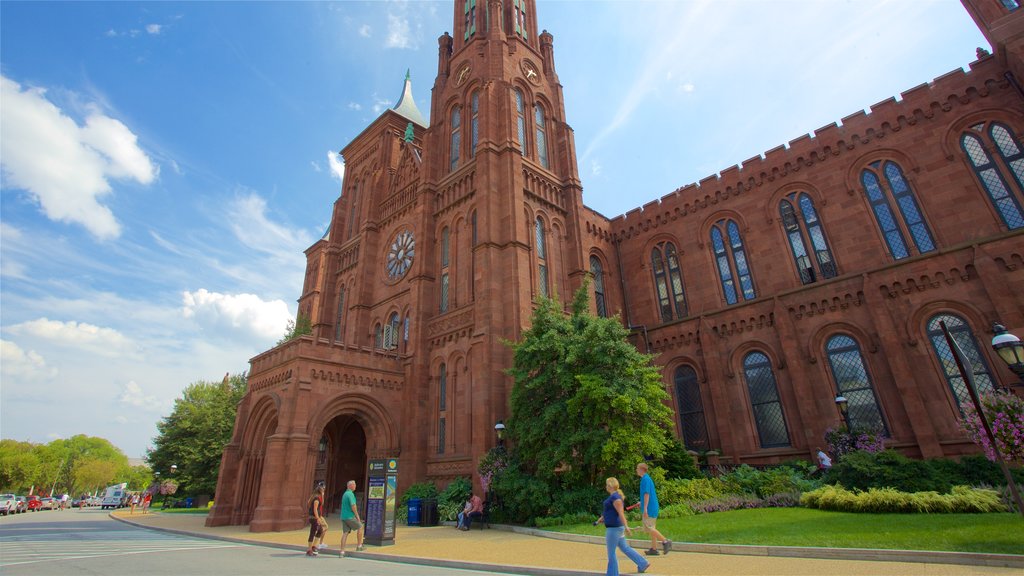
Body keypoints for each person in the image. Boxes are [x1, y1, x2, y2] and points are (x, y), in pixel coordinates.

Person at [594, 477, 649, 576]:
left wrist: (627, 526)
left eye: (607, 484)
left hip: (614, 529)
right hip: (616, 528)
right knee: (625, 548)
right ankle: (643, 563)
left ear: (610, 486)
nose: (606, 486)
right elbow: (610, 512)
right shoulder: (614, 497)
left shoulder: (615, 498)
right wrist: (602, 519)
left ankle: (612, 574)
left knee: (611, 553)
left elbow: (621, 513)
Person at [635, 462, 671, 556]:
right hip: (652, 506)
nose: (636, 470)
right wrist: (641, 503)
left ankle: (665, 542)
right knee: (652, 528)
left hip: (650, 508)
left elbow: (647, 494)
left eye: (637, 468)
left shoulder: (645, 479)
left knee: (649, 527)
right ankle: (654, 549)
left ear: (642, 470)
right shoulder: (646, 479)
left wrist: (645, 508)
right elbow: (646, 494)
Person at [339, 480, 364, 557]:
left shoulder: (345, 494)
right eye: (354, 484)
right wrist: (357, 516)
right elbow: (353, 506)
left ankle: (342, 552)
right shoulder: (350, 494)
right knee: (360, 527)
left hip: (343, 516)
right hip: (350, 516)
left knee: (345, 533)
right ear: (350, 486)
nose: (355, 486)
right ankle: (359, 546)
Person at [305, 482, 327, 557]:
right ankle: (309, 549)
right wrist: (317, 518)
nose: (324, 489)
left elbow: (309, 504)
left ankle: (313, 546)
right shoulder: (316, 498)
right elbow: (315, 509)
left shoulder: (316, 496)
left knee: (320, 530)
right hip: (314, 517)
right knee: (313, 532)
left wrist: (323, 496)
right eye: (323, 488)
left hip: (314, 517)